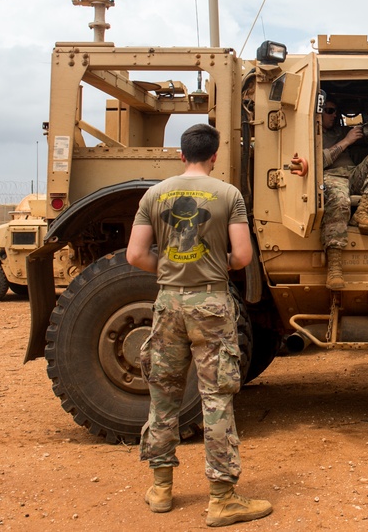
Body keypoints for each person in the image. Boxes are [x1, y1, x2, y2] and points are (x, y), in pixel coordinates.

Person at [125, 123, 272, 527]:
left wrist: (170, 270)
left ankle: (160, 489)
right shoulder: (228, 195)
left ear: (180, 154)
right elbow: (241, 255)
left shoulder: (153, 195)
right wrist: (213, 266)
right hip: (211, 302)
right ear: (215, 155)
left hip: (167, 302)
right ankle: (222, 498)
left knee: (164, 395)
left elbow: (135, 255)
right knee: (216, 398)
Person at [321, 99, 368, 289]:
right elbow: (318, 161)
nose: (334, 115)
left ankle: (363, 211)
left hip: (352, 173)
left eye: (336, 111)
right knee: (339, 199)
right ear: (317, 113)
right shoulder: (311, 134)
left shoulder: (338, 131)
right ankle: (335, 266)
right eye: (329, 111)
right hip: (330, 175)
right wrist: (346, 141)